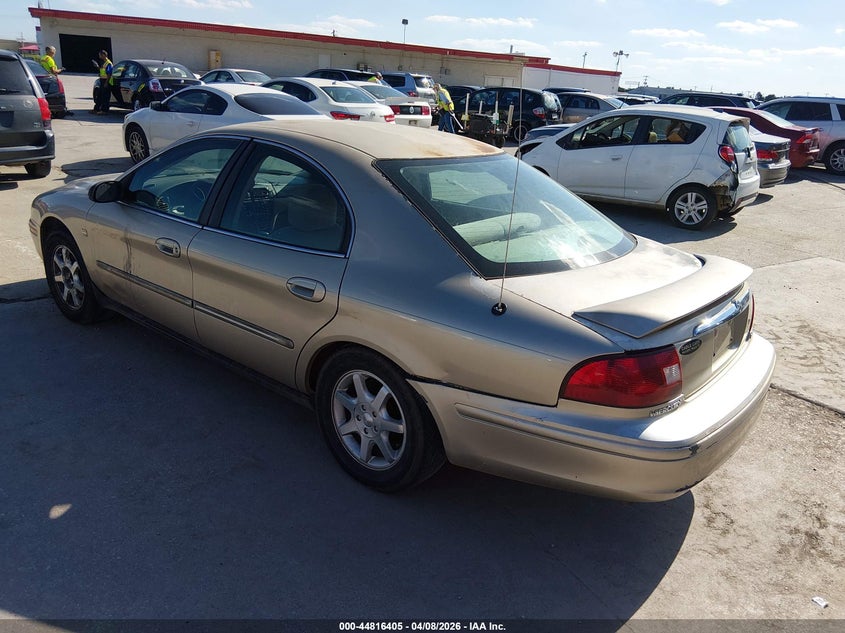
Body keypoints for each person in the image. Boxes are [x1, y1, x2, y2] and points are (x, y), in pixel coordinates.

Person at [93, 50, 113, 114]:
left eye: (100, 55)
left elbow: (109, 74)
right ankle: (97, 109)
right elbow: (103, 71)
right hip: (102, 80)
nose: (99, 56)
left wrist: (106, 83)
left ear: (104, 55)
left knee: (105, 97)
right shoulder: (103, 63)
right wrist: (97, 67)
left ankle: (104, 110)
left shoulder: (108, 63)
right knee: (99, 95)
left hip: (106, 81)